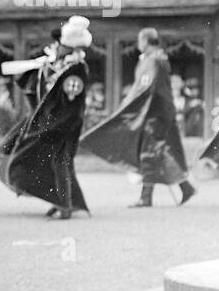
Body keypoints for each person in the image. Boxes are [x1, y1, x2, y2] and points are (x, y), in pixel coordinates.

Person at [81, 28, 196, 207]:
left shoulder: (153, 61)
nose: (138, 44)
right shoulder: (159, 58)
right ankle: (184, 186)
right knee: (159, 152)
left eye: (140, 40)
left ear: (146, 41)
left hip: (153, 112)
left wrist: (127, 106)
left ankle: (147, 196)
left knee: (149, 153)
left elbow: (144, 89)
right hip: (159, 111)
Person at [0, 16, 92, 219]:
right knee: (54, 162)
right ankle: (60, 201)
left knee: (60, 162)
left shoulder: (77, 69)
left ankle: (65, 205)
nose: (58, 47)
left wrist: (52, 124)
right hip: (53, 121)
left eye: (62, 45)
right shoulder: (60, 65)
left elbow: (71, 105)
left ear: (71, 48)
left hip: (64, 124)